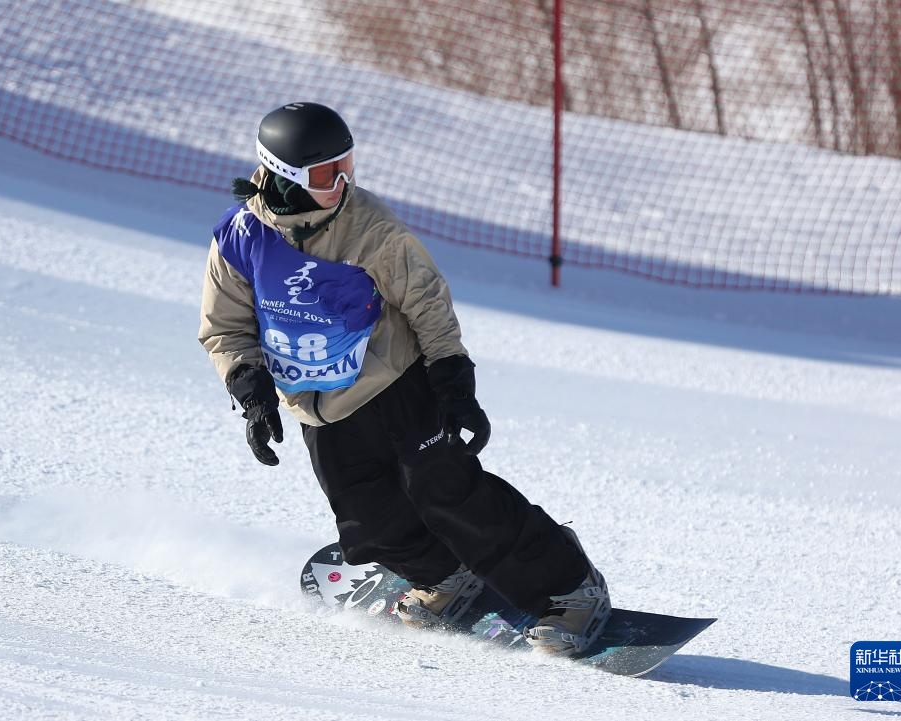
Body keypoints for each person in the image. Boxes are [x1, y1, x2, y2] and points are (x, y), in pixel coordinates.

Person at [198, 101, 611, 654]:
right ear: (284, 175)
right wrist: (250, 391)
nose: (341, 183)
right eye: (325, 175)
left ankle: (569, 588)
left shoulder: (369, 228)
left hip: (395, 383)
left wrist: (452, 379)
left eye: (347, 167)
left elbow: (427, 302)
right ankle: (444, 576)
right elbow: (225, 326)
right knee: (367, 520)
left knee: (448, 494)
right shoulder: (240, 238)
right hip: (318, 406)